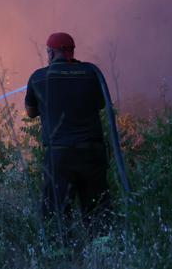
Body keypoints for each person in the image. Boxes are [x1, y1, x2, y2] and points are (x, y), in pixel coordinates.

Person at [25, 32, 112, 238]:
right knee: (97, 209)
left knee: (56, 212)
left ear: (51, 52)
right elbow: (101, 104)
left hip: (59, 155)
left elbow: (30, 112)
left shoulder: (39, 77)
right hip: (91, 153)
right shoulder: (91, 73)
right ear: (72, 51)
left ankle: (63, 256)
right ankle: (104, 256)